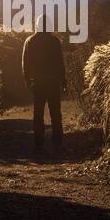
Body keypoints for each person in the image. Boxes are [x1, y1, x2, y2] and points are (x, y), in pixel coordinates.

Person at [22, 14, 67, 152]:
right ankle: (58, 142)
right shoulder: (55, 41)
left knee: (38, 114)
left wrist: (27, 81)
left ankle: (38, 143)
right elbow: (60, 62)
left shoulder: (30, 41)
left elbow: (25, 64)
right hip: (53, 82)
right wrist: (63, 80)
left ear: (37, 24)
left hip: (38, 83)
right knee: (55, 113)